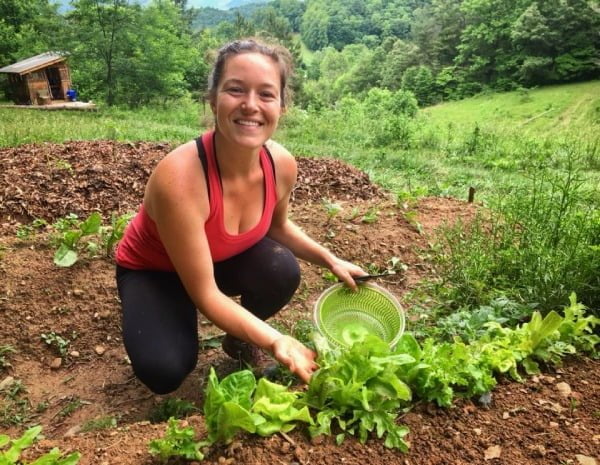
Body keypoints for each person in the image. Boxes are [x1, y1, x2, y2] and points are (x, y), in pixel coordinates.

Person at [115, 38, 366, 395]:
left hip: (218, 259)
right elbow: (205, 292)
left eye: (266, 94)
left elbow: (278, 228)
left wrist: (331, 260)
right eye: (235, 90)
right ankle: (170, 314)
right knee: (164, 369)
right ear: (213, 98)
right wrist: (277, 341)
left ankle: (238, 339)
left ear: (282, 106)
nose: (251, 106)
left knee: (280, 268)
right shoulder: (180, 179)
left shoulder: (280, 164)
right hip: (156, 271)